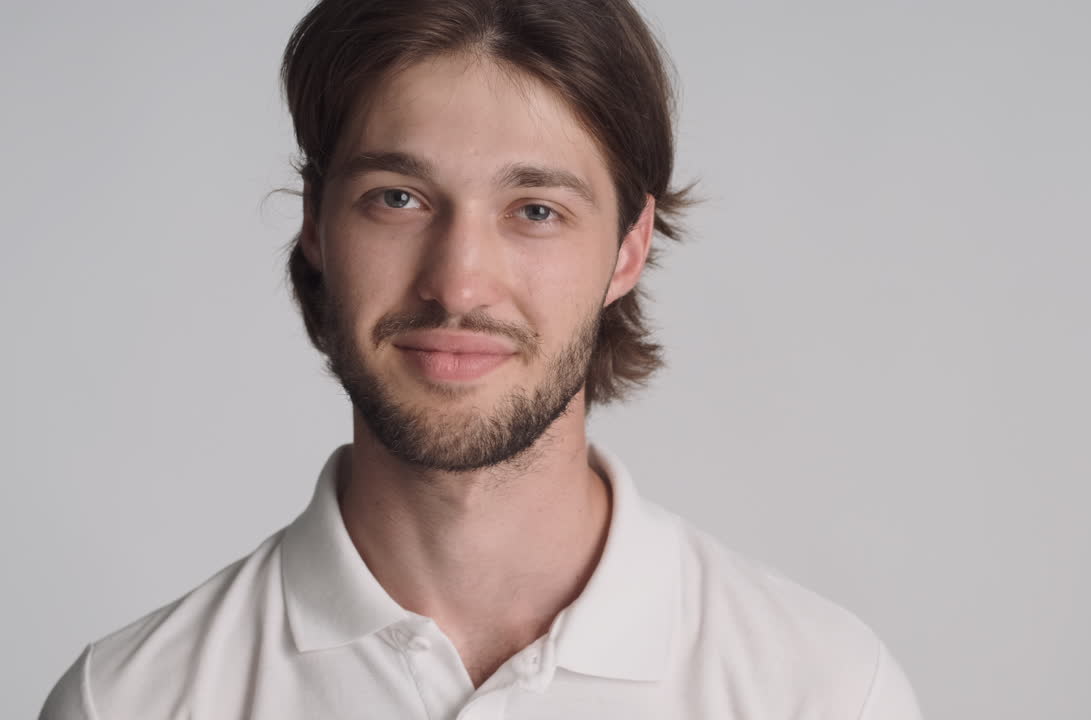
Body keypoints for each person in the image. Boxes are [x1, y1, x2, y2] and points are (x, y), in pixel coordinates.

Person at [39, 0, 923, 717]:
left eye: (535, 209)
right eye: (399, 198)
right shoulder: (128, 700)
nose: (458, 285)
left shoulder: (824, 692)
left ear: (628, 247)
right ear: (316, 222)